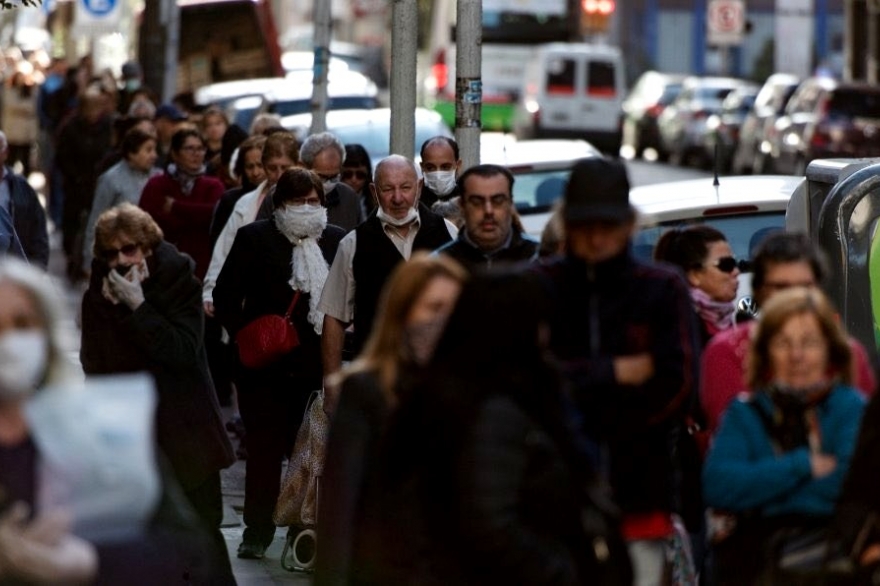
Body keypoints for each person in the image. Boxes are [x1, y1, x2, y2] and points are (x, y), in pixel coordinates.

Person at [535, 157, 698, 586]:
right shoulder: (538, 286)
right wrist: (613, 373)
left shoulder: (662, 288)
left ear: (628, 224)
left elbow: (677, 384)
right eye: (585, 224)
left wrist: (578, 391)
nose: (595, 237)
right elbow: (527, 380)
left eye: (607, 225)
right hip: (551, 494)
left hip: (639, 492)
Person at [79, 203, 236, 580]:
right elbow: (94, 365)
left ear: (148, 247)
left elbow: (183, 351)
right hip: (132, 437)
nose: (120, 261)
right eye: (111, 253)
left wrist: (138, 307)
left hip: (186, 431)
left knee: (201, 535)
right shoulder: (98, 295)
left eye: (129, 249)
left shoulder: (180, 280)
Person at [213, 168, 345, 560]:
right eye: (297, 201)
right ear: (279, 204)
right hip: (263, 370)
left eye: (313, 200)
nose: (306, 208)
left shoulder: (336, 241)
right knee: (265, 452)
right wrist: (248, 334)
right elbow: (224, 295)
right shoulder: (255, 237)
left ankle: (300, 531)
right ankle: (257, 531)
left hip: (313, 367)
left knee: (308, 455)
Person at [316, 252, 467, 585]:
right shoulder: (367, 391)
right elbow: (339, 510)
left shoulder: (471, 393)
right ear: (403, 314)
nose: (443, 323)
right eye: (433, 308)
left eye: (453, 311)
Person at [702, 286, 866, 586]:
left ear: (830, 348)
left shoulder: (850, 407)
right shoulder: (744, 413)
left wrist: (760, 495)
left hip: (835, 569)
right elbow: (717, 485)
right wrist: (803, 465)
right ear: (765, 353)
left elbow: (849, 484)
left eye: (810, 342)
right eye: (782, 343)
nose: (797, 355)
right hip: (756, 570)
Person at [701, 232, 876, 435]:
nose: (794, 297)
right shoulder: (726, 352)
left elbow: (865, 439)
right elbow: (731, 443)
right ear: (758, 292)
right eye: (781, 287)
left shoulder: (848, 353)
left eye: (804, 287)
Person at [318, 154, 456, 410]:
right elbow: (334, 319)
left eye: (405, 187)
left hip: (440, 381)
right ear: (373, 191)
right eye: (387, 189)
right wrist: (332, 387)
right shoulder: (353, 243)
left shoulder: (448, 233)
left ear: (419, 187)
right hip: (377, 385)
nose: (398, 198)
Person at [203, 130, 298, 313]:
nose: (278, 175)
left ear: (297, 165)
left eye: (285, 168)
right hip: (252, 297)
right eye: (272, 168)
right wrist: (210, 291)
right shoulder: (245, 203)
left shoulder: (309, 200)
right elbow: (224, 250)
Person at [139, 127, 225, 280]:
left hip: (203, 268)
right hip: (163, 268)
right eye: (189, 149)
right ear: (175, 154)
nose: (196, 154)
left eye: (200, 149)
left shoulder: (213, 185)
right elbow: (148, 222)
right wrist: (196, 218)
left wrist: (176, 207)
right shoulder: (157, 184)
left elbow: (216, 214)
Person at [82, 128, 162, 270]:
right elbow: (96, 220)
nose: (154, 155)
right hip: (120, 254)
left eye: (155, 150)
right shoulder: (111, 179)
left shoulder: (159, 177)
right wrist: (90, 262)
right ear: (132, 153)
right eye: (148, 150)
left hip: (152, 254)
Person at [434, 163, 539, 271]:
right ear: (462, 206)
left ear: (511, 203)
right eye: (477, 202)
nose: (488, 211)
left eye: (497, 201)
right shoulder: (439, 266)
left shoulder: (540, 260)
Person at [654, 225, 740, 347]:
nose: (736, 272)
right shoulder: (677, 328)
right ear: (694, 275)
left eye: (735, 263)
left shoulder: (725, 319)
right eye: (726, 265)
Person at [299, 131, 365, 232]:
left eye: (334, 177)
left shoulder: (349, 198)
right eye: (321, 177)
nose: (328, 183)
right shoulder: (279, 195)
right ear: (304, 167)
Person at [0, 130, 47, 268]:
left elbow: (38, 233)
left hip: (12, 273)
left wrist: (37, 271)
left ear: (5, 153)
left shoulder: (21, 187)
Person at [2, 66, 38, 178]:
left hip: (26, 134)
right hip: (12, 132)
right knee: (10, 160)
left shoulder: (30, 92)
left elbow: (32, 107)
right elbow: (10, 105)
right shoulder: (8, 91)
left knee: (26, 161)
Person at [418, 136, 461, 207]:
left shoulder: (468, 197)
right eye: (430, 168)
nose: (438, 176)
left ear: (458, 165)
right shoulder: (414, 199)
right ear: (422, 167)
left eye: (445, 167)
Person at [153, 103, 188, 169]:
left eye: (178, 122)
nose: (176, 126)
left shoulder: (182, 146)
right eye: (172, 122)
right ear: (158, 123)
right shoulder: (149, 146)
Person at [342, 143, 374, 215]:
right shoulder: (328, 202)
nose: (354, 180)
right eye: (348, 174)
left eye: (360, 175)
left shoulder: (376, 203)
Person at [200, 105, 229, 178]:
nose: (214, 128)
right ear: (204, 128)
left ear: (226, 125)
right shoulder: (200, 150)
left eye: (218, 124)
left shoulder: (232, 148)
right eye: (209, 125)